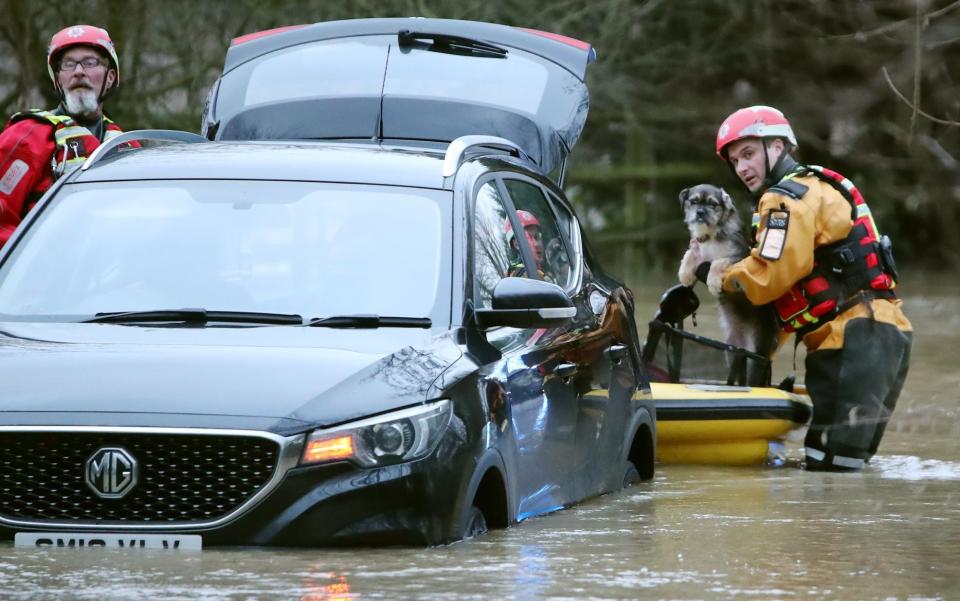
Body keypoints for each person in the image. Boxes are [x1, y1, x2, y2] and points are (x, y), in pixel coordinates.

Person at [697, 105, 912, 471]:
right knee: (838, 469)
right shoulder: (814, 186)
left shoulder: (784, 200)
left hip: (852, 340)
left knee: (829, 472)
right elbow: (792, 292)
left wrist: (716, 273)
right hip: (882, 336)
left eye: (749, 154)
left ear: (778, 147)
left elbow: (768, 278)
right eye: (735, 161)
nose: (742, 168)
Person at [0, 25, 127, 248]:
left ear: (110, 77)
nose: (78, 71)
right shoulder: (27, 135)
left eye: (90, 62)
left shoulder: (126, 146)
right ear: (58, 79)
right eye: (68, 64)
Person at [504, 209, 554, 282]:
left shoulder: (544, 270)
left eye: (537, 237)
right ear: (516, 244)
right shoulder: (518, 279)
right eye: (529, 238)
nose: (537, 244)